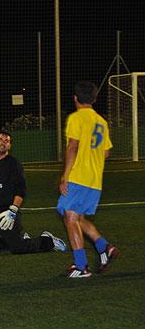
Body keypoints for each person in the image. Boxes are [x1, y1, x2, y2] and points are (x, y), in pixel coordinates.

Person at [57, 81, 117, 278]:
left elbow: (72, 146)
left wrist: (65, 176)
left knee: (70, 218)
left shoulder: (76, 118)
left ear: (75, 98)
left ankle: (81, 266)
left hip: (79, 176)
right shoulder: (101, 121)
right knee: (78, 218)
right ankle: (104, 247)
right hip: (95, 180)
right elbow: (106, 152)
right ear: (94, 99)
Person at [0, 130, 67, 254]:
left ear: (10, 146)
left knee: (19, 248)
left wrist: (13, 210)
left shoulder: (13, 163)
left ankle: (48, 241)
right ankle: (16, 240)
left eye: (6, 141)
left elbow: (21, 189)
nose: (3, 143)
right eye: (0, 139)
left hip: (6, 212)